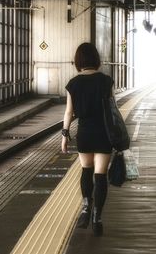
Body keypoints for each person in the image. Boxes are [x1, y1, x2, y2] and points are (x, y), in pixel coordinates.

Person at [61, 42, 114, 237]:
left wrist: (65, 136)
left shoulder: (73, 84)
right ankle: (97, 217)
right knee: (100, 176)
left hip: (84, 134)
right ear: (96, 59)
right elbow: (112, 111)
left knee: (86, 170)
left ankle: (85, 206)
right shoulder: (106, 81)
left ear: (78, 61)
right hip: (103, 134)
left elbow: (68, 112)